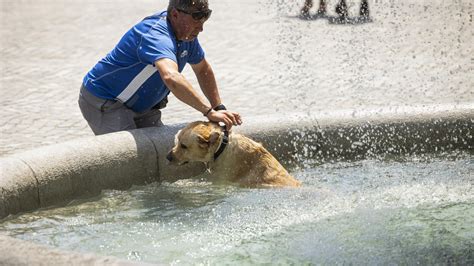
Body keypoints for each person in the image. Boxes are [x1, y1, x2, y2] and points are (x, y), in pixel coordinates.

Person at [78, 0, 242, 135]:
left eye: (204, 20)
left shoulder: (187, 36)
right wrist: (208, 112)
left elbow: (202, 69)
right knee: (131, 165)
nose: (201, 28)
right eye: (196, 20)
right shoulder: (156, 35)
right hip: (107, 101)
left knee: (163, 159)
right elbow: (172, 77)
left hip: (144, 107)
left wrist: (218, 108)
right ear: (175, 14)